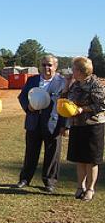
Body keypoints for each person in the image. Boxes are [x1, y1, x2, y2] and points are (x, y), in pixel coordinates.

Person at [16, 55, 67, 193]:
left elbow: (66, 104)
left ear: (55, 66)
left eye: (49, 65)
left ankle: (49, 181)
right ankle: (25, 179)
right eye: (44, 65)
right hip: (33, 122)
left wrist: (65, 125)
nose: (46, 68)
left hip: (53, 123)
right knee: (31, 152)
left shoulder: (62, 82)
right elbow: (22, 96)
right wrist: (28, 107)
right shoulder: (32, 80)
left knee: (52, 154)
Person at [61, 56, 105, 201]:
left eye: (73, 68)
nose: (72, 70)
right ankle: (80, 187)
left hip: (93, 126)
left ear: (80, 70)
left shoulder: (95, 83)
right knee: (80, 158)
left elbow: (101, 105)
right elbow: (64, 99)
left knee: (91, 159)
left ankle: (90, 189)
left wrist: (82, 109)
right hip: (77, 125)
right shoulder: (75, 84)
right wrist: (67, 83)